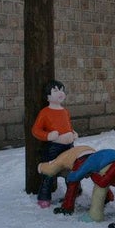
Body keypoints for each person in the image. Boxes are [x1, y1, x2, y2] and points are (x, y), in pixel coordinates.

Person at [38, 147, 115, 222]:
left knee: (73, 182)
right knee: (99, 178)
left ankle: (67, 207)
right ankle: (108, 197)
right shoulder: (63, 159)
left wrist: (70, 177)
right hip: (91, 153)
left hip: (83, 158)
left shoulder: (63, 160)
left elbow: (74, 177)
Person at [31, 80, 78, 208]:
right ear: (48, 96)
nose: (60, 93)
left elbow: (67, 125)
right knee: (50, 171)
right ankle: (44, 196)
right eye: (56, 90)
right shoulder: (45, 112)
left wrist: (72, 132)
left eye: (62, 90)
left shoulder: (65, 111)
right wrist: (47, 136)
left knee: (72, 169)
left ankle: (74, 192)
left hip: (69, 147)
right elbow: (36, 130)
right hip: (54, 147)